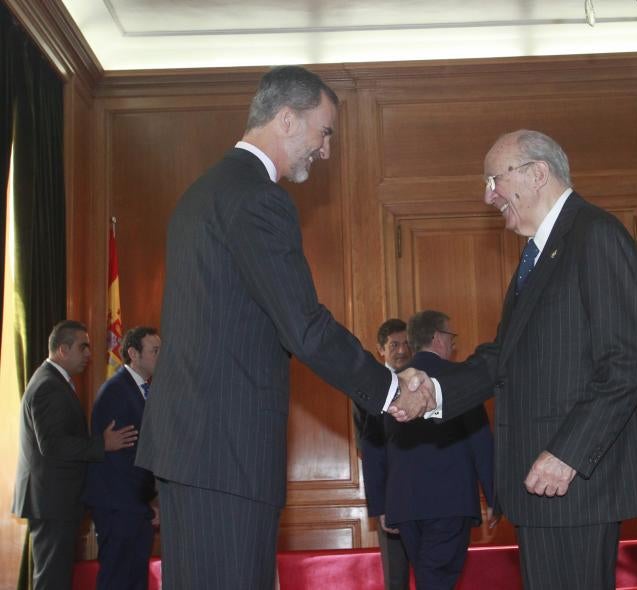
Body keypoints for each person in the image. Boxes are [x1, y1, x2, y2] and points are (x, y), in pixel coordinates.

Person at [134, 65, 433, 590]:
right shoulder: (257, 198)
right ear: (288, 119)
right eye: (325, 132)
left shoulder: (203, 193)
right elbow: (305, 327)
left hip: (195, 450)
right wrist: (389, 388)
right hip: (226, 452)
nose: (326, 150)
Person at [391, 130, 637, 589]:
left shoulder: (595, 234)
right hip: (540, 480)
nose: (488, 195)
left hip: (573, 480)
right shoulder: (535, 256)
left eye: (495, 179)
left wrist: (567, 454)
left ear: (538, 173)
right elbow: (503, 358)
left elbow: (626, 361)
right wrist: (434, 392)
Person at [12, 320, 138, 590]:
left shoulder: (54, 381)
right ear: (61, 350)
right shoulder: (48, 386)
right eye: (83, 347)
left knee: (55, 577)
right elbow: (53, 445)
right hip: (52, 502)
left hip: (55, 500)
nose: (89, 354)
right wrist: (101, 444)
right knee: (51, 580)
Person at [375, 310, 494, 590]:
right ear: (438, 338)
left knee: (429, 579)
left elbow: (376, 445)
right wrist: (493, 496)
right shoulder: (461, 378)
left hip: (405, 505)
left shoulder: (392, 383)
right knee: (436, 581)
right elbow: (481, 441)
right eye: (451, 337)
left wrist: (385, 506)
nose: (453, 345)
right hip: (449, 503)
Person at [85, 326, 162, 590]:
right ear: (133, 353)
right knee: (118, 581)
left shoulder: (139, 389)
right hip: (119, 507)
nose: (160, 356)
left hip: (131, 507)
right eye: (155, 351)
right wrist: (145, 503)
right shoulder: (117, 391)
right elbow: (122, 459)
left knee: (133, 581)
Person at [353, 318, 411, 590]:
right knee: (396, 578)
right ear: (381, 349)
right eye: (394, 344)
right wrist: (382, 504)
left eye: (406, 344)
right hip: (391, 499)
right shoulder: (368, 389)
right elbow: (368, 448)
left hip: (427, 500)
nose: (401, 350)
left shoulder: (422, 381)